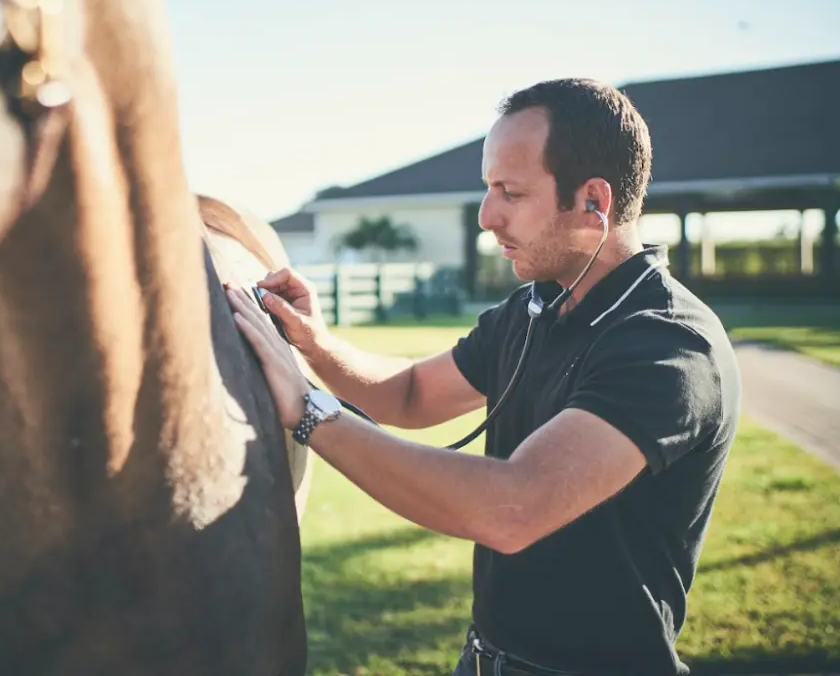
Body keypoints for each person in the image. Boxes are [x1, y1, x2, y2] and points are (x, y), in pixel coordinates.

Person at [225, 78, 740, 676]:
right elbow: (411, 394)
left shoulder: (669, 345)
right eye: (487, 188)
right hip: (482, 660)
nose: (487, 216)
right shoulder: (534, 309)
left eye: (510, 192)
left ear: (594, 202)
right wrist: (315, 343)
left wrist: (310, 411)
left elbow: (512, 509)